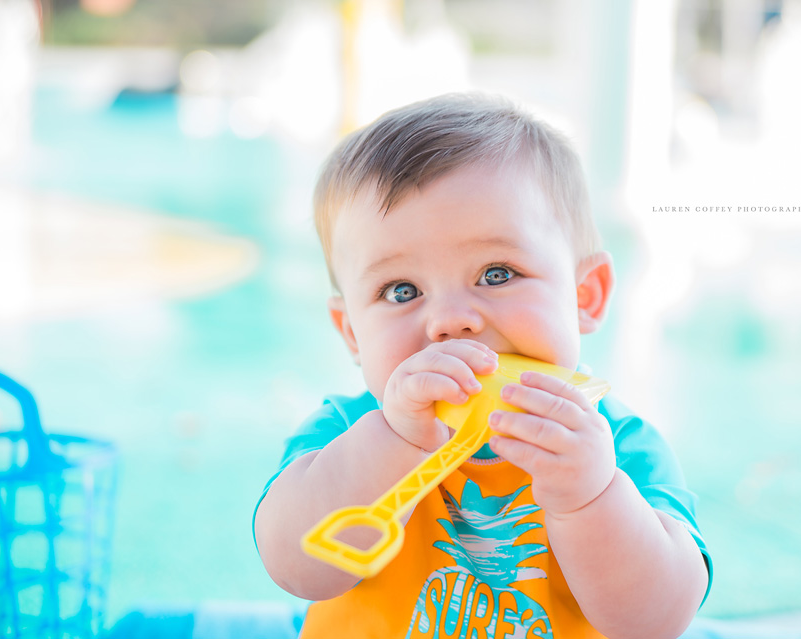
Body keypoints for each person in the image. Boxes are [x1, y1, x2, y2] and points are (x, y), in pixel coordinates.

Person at [254, 93, 712, 639]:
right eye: (401, 290)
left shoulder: (617, 446)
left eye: (497, 273)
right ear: (353, 333)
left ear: (584, 295)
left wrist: (590, 497)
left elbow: (655, 623)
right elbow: (296, 567)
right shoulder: (345, 434)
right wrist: (394, 441)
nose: (449, 321)